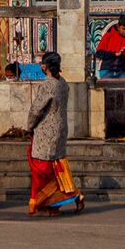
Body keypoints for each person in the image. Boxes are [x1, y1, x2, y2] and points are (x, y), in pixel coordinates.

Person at [21, 54, 81, 214]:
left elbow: (36, 109)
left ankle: (48, 202)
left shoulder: (48, 84)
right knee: (56, 166)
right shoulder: (62, 82)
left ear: (45, 66)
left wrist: (29, 126)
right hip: (60, 128)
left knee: (42, 169)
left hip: (46, 130)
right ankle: (62, 199)